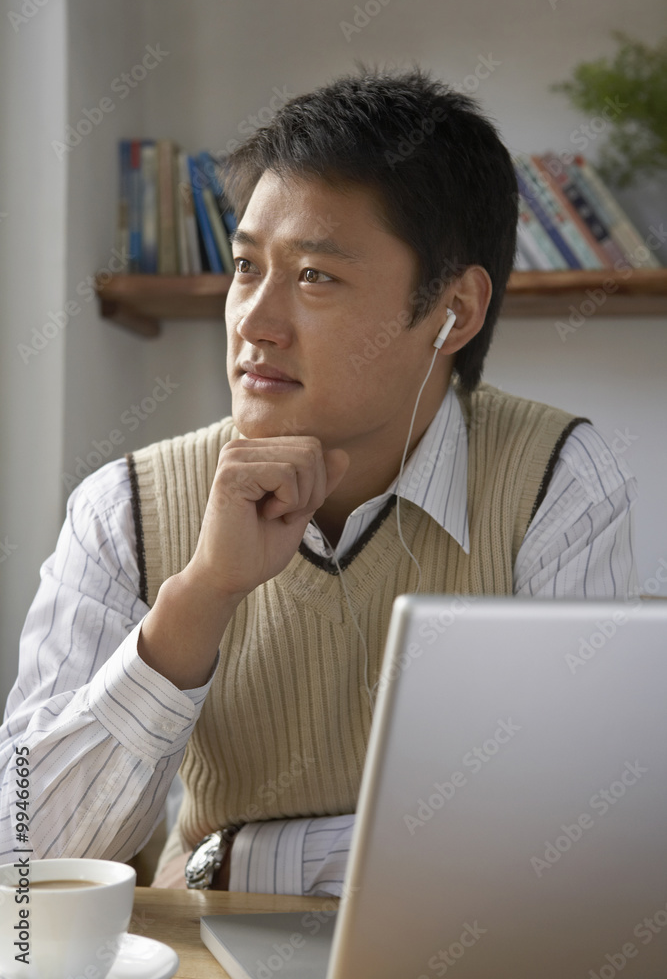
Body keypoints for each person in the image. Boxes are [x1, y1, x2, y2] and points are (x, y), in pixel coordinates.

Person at [0, 65, 638, 895]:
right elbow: (23, 864)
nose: (255, 323)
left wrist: (237, 860)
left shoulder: (557, 481)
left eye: (313, 277)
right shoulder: (123, 505)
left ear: (454, 311)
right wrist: (200, 596)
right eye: (244, 267)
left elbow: (577, 844)